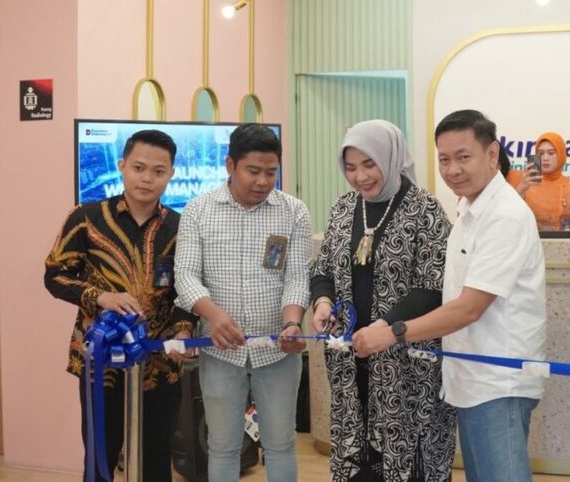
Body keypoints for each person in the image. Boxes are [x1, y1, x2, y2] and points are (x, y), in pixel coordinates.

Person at [352, 109, 545, 482]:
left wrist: (392, 332)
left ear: (492, 154)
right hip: (470, 380)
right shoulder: (471, 208)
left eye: (463, 157)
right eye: (444, 159)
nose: (453, 169)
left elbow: (469, 308)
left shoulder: (504, 216)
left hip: (498, 383)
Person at [309, 120, 456, 480]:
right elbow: (323, 269)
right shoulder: (343, 208)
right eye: (350, 167)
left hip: (407, 366)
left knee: (410, 461)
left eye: (369, 164)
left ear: (391, 158)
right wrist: (323, 303)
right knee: (360, 461)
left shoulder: (425, 210)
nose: (360, 176)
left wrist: (383, 327)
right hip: (351, 361)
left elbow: (433, 286)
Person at [44, 129, 193, 482]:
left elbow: (188, 289)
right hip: (100, 360)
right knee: (101, 454)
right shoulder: (86, 217)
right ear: (122, 165)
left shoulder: (181, 227)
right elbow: (54, 276)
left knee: (157, 456)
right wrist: (100, 297)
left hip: (160, 361)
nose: (147, 178)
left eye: (158, 171)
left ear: (172, 174)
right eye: (139, 168)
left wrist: (184, 330)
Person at [174, 123, 311, 482]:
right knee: (222, 446)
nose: (263, 182)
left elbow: (297, 277)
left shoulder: (294, 211)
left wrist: (292, 322)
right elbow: (185, 275)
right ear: (230, 165)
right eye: (253, 171)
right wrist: (214, 316)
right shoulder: (198, 210)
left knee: (281, 444)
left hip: (278, 352)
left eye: (271, 172)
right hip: (220, 353)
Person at [517, 131, 570, 236]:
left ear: (561, 155)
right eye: (540, 153)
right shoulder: (526, 186)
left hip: (566, 246)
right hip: (531, 245)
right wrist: (520, 191)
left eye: (551, 153)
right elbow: (511, 223)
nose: (545, 158)